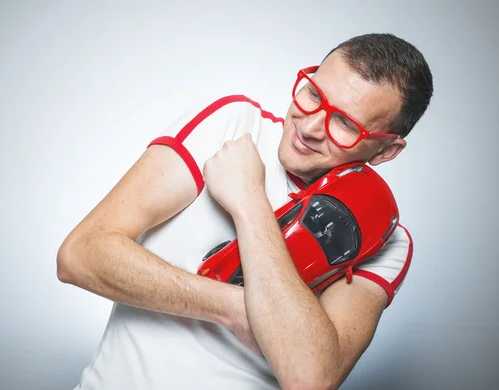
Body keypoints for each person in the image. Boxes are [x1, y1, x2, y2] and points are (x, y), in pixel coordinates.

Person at [57, 33, 433, 390]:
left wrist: (250, 202)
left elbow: (310, 378)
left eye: (345, 123)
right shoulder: (235, 126)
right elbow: (81, 255)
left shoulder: (387, 241)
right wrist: (237, 308)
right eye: (313, 93)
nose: (312, 125)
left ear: (385, 151)